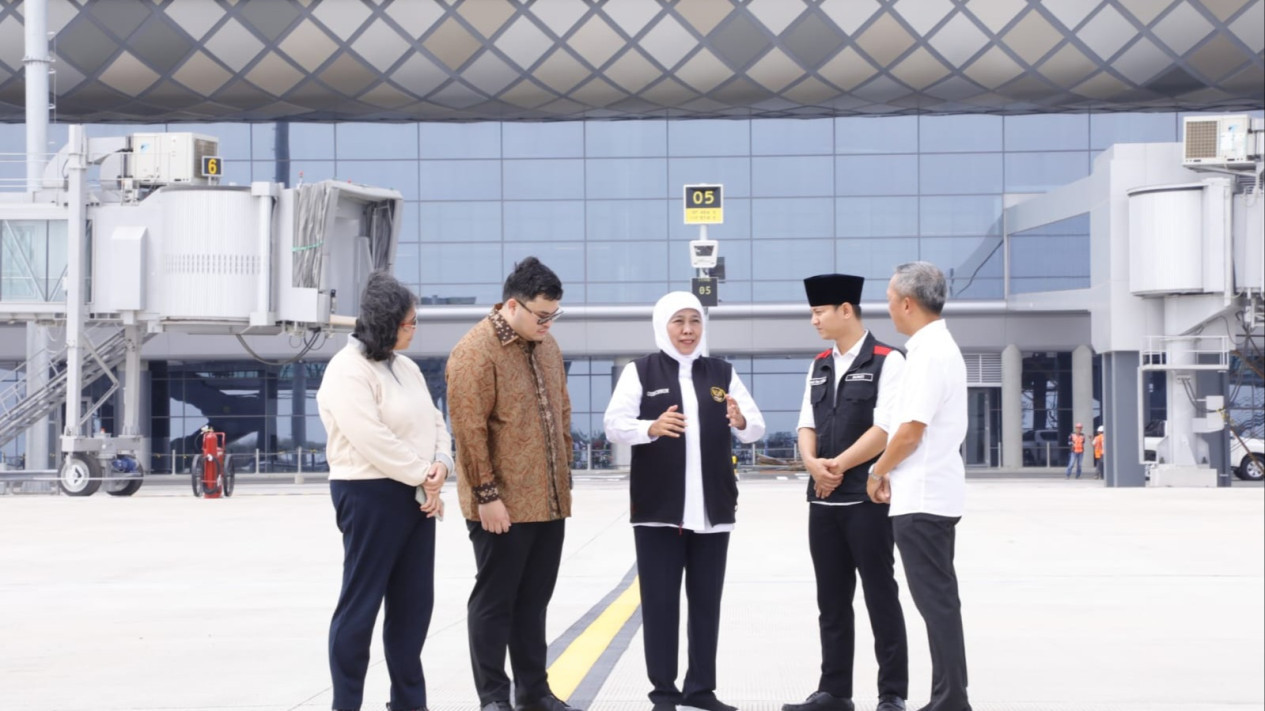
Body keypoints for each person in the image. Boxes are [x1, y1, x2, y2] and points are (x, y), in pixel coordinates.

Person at [604, 291, 765, 711]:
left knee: (706, 604)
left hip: (713, 511)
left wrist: (741, 421)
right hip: (659, 511)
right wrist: (650, 427)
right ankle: (664, 692)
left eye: (695, 321)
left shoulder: (722, 373)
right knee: (660, 604)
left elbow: (755, 427)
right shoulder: (641, 371)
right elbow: (613, 425)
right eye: (679, 321)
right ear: (663, 326)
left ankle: (701, 690)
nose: (688, 330)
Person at [446, 257, 579, 711]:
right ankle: (493, 697)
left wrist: (564, 478)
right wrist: (487, 496)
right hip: (500, 505)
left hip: (549, 500)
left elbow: (562, 412)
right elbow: (469, 431)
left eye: (554, 315)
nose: (548, 323)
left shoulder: (548, 346)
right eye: (541, 315)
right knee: (495, 602)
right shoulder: (475, 351)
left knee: (534, 601)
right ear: (512, 305)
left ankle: (534, 691)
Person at [316, 270, 451, 711]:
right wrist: (423, 474)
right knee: (361, 605)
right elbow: (369, 437)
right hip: (367, 494)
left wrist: (441, 465)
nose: (414, 330)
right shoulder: (347, 370)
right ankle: (346, 704)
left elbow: (434, 421)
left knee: (414, 606)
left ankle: (409, 704)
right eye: (408, 323)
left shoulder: (405, 367)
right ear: (385, 323)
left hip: (416, 494)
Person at [784, 274, 908, 711]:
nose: (814, 320)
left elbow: (886, 428)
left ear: (846, 310)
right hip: (822, 499)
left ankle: (892, 693)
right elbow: (806, 423)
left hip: (867, 500)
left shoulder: (888, 360)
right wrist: (812, 463)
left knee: (880, 596)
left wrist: (837, 465)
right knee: (831, 601)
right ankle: (834, 691)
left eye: (819, 312)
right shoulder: (819, 364)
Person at [868, 261, 972, 711]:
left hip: (923, 498)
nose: (889, 308)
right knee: (939, 601)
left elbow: (910, 432)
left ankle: (950, 701)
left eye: (890, 300)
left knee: (936, 603)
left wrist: (877, 471)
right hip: (932, 492)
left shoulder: (928, 354)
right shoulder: (937, 348)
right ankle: (948, 697)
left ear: (908, 303)